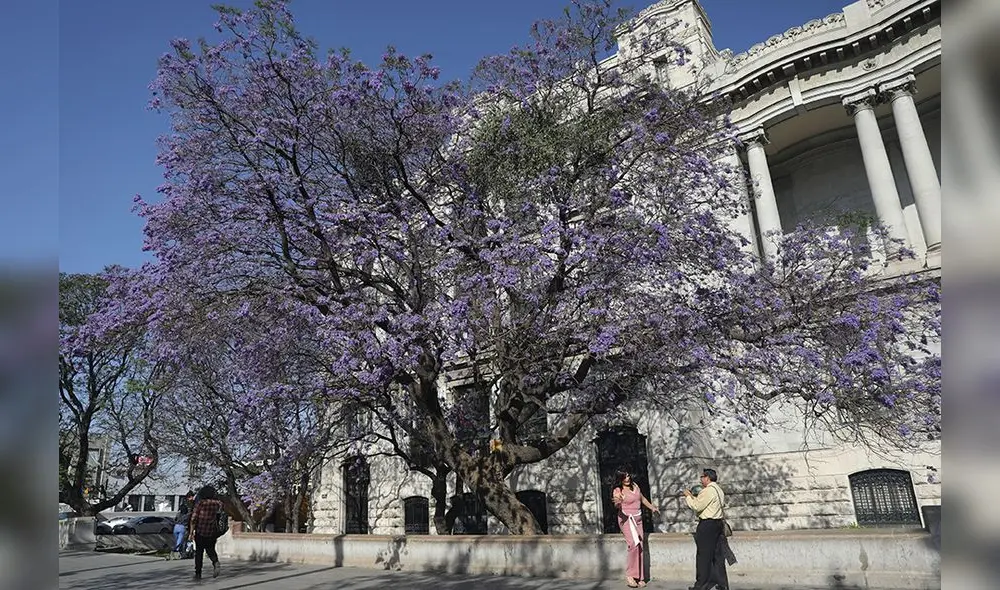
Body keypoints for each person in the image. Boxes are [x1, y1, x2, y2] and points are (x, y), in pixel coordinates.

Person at [612, 468, 660, 588]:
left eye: (628, 475)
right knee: (633, 544)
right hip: (626, 519)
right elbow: (617, 504)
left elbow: (642, 499)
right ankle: (630, 575)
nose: (627, 478)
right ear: (620, 479)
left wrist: (652, 507)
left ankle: (640, 577)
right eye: (624, 477)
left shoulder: (635, 485)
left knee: (640, 546)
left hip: (638, 519)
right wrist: (619, 501)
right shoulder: (618, 490)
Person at [683, 468, 727, 590]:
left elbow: (696, 506)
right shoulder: (718, 490)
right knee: (718, 556)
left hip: (707, 525)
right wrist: (693, 496)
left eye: (702, 477)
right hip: (718, 524)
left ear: (707, 477)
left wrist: (687, 496)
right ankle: (723, 585)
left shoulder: (707, 491)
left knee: (703, 556)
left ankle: (701, 586)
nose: (701, 480)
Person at [187, 485, 225, 580]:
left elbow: (193, 518)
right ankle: (215, 562)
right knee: (210, 549)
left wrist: (191, 532)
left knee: (199, 553)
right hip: (212, 531)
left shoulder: (200, 503)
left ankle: (198, 573)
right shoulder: (219, 503)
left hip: (200, 531)